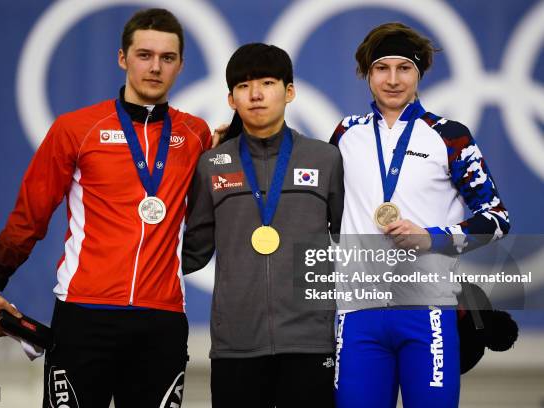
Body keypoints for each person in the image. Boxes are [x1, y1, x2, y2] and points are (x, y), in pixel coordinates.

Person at [0, 8, 211, 408]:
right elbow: (30, 214)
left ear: (181, 66)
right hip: (84, 316)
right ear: (122, 58)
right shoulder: (75, 129)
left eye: (167, 58)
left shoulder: (196, 135)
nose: (155, 67)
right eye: (144, 55)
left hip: (162, 320)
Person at [329, 22, 510, 407]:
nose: (393, 79)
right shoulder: (346, 134)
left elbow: (496, 218)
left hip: (428, 313)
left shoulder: (450, 136)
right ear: (367, 73)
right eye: (382, 68)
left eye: (404, 68)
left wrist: (433, 237)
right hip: (357, 312)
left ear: (419, 72)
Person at [182, 43, 344, 408]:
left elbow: (352, 240)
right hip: (235, 345)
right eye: (243, 86)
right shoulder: (213, 163)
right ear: (230, 99)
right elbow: (191, 252)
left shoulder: (326, 158)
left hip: (309, 341)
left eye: (267, 83)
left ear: (289, 92)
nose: (255, 94)